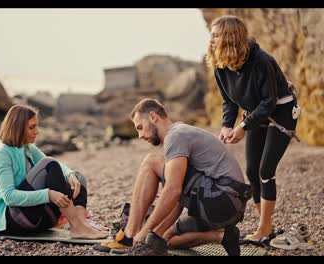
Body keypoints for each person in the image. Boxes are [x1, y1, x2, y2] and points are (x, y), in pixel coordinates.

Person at [95, 99, 250, 256]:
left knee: (151, 162)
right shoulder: (179, 134)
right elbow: (178, 196)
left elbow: (173, 190)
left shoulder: (176, 136)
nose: (140, 135)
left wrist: (145, 232)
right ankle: (224, 236)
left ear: (153, 116)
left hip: (223, 199)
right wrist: (155, 235)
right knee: (167, 238)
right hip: (228, 206)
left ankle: (129, 236)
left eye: (140, 127)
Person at [207, 15, 300, 243]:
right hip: (255, 114)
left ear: (230, 37)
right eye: (211, 35)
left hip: (282, 112)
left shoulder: (261, 60)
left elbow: (269, 102)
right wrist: (227, 125)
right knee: (252, 172)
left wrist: (243, 127)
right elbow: (229, 101)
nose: (210, 40)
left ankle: (263, 229)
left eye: (216, 35)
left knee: (265, 170)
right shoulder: (220, 65)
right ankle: (265, 227)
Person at [0, 104, 107, 239]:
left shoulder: (28, 148)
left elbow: (58, 167)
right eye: (31, 127)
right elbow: (9, 197)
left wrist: (69, 174)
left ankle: (81, 224)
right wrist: (49, 195)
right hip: (10, 221)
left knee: (77, 177)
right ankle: (78, 226)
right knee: (50, 164)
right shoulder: (1, 154)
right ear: (17, 128)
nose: (36, 131)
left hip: (36, 218)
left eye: (36, 126)